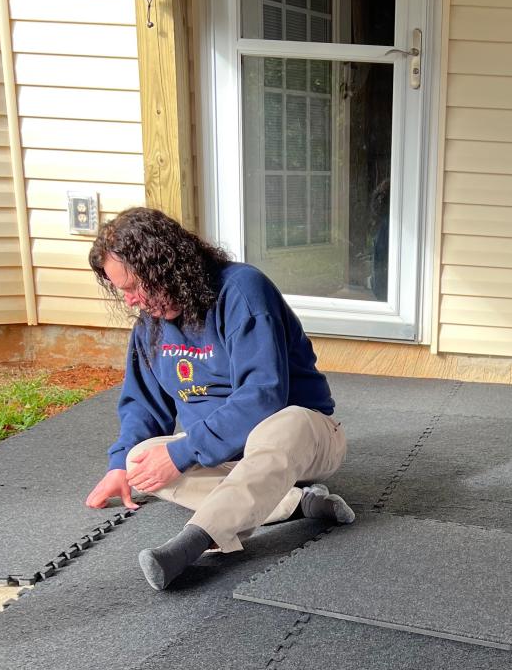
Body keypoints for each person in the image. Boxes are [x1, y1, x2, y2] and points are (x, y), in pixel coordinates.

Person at [85, 207, 354, 591]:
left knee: (289, 421)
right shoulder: (150, 326)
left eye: (134, 287)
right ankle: (298, 504)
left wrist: (182, 453)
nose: (130, 300)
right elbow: (143, 405)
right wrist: (119, 467)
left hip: (303, 443)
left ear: (165, 266)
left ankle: (193, 542)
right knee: (138, 459)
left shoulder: (243, 289)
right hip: (221, 456)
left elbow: (263, 397)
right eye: (122, 291)